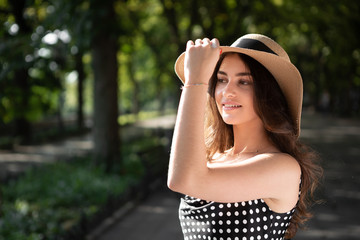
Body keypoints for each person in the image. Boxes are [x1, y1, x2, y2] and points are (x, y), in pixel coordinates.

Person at [167, 34, 323, 240]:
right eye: (221, 80)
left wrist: (195, 82)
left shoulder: (282, 168)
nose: (227, 91)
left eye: (244, 82)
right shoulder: (213, 158)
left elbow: (184, 179)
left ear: (269, 94)